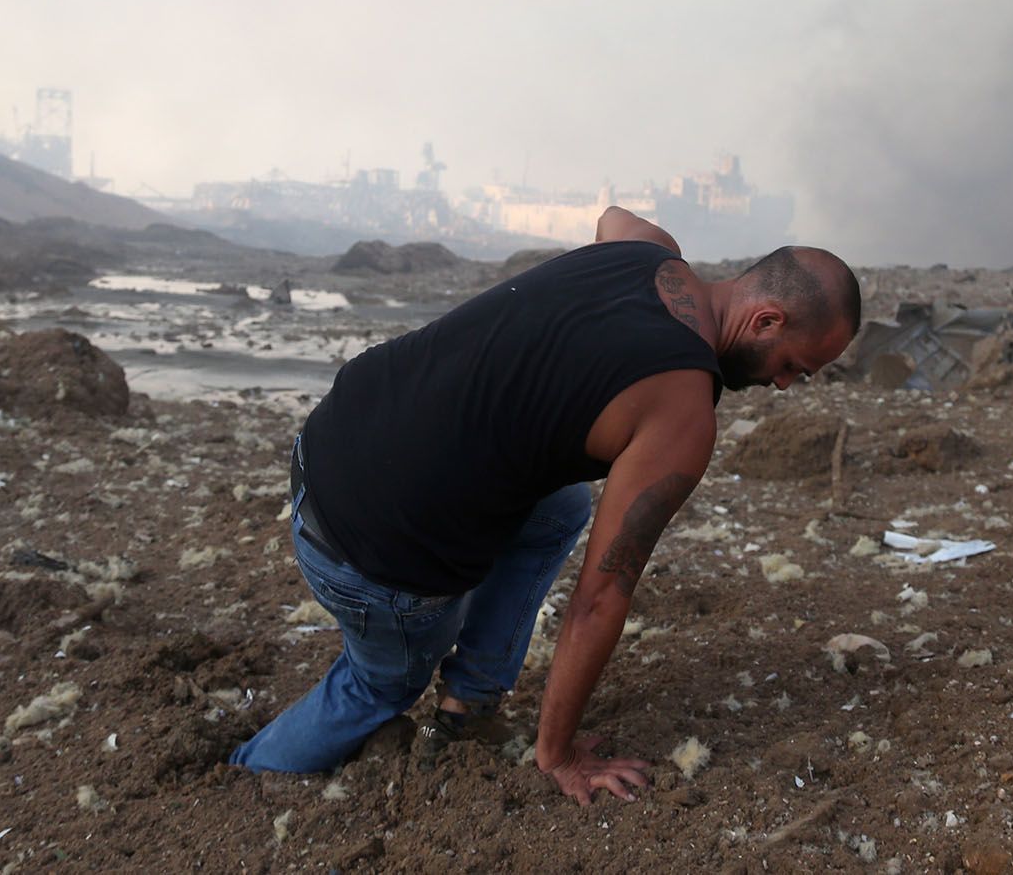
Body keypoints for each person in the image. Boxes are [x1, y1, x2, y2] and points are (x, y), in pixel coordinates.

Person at [229, 206, 861, 804]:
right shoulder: (682, 411)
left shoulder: (645, 250)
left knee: (561, 508)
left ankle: (469, 705)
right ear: (767, 319)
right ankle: (247, 777)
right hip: (370, 553)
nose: (782, 384)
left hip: (328, 445)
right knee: (380, 683)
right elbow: (599, 600)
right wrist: (557, 756)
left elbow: (612, 214)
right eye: (794, 368)